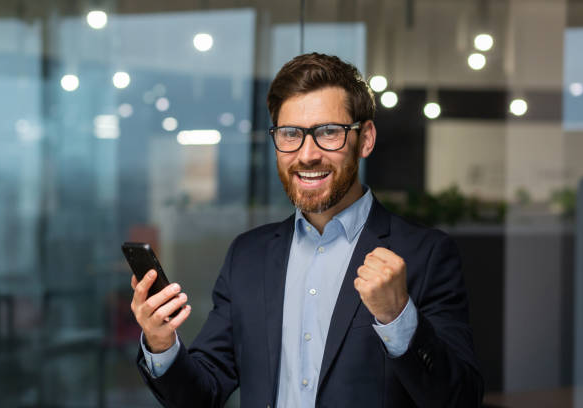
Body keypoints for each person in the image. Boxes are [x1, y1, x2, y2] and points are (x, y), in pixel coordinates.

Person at [130, 53, 483, 407]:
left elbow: (461, 399)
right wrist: (162, 345)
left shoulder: (425, 254)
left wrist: (398, 319)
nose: (307, 154)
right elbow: (202, 394)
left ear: (366, 139)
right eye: (290, 134)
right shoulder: (248, 256)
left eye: (329, 132)